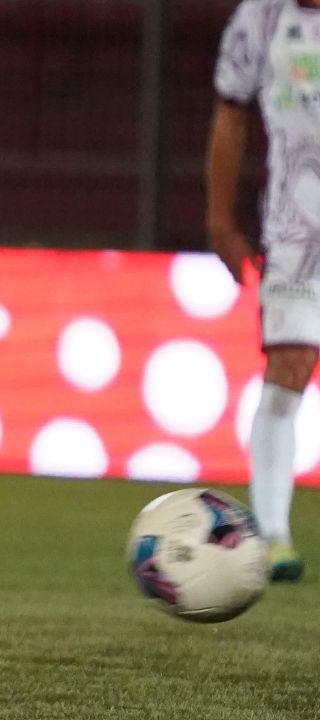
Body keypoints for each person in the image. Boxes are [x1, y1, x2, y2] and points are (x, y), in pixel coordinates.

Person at [208, 0, 319, 582]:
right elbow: (231, 111)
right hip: (296, 228)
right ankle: (272, 534)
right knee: (290, 366)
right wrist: (219, 220)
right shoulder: (263, 16)